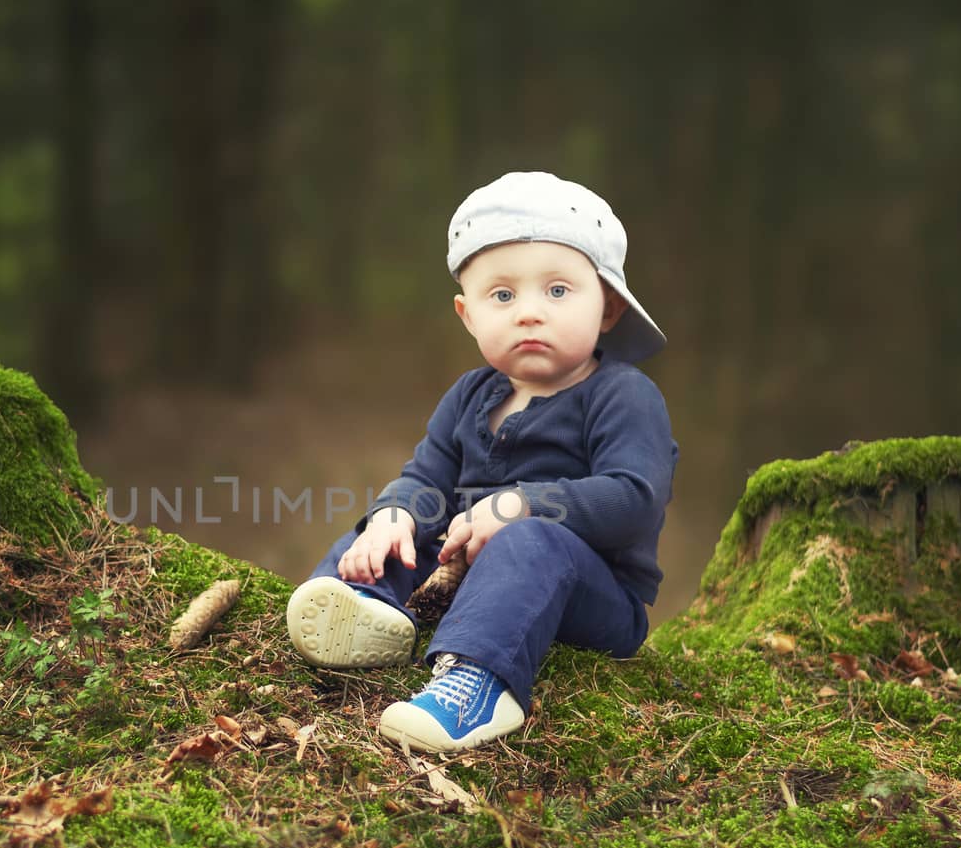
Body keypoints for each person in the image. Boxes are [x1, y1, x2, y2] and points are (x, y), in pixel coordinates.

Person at [285, 171, 678, 753]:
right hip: (466, 571)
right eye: (502, 295)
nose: (528, 313)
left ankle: (476, 685)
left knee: (529, 540)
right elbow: (428, 477)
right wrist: (394, 513)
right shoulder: (471, 395)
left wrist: (522, 505)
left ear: (609, 308)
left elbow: (634, 500)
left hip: (590, 595)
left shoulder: (622, 395)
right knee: (389, 527)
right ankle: (364, 607)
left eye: (558, 291)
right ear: (468, 315)